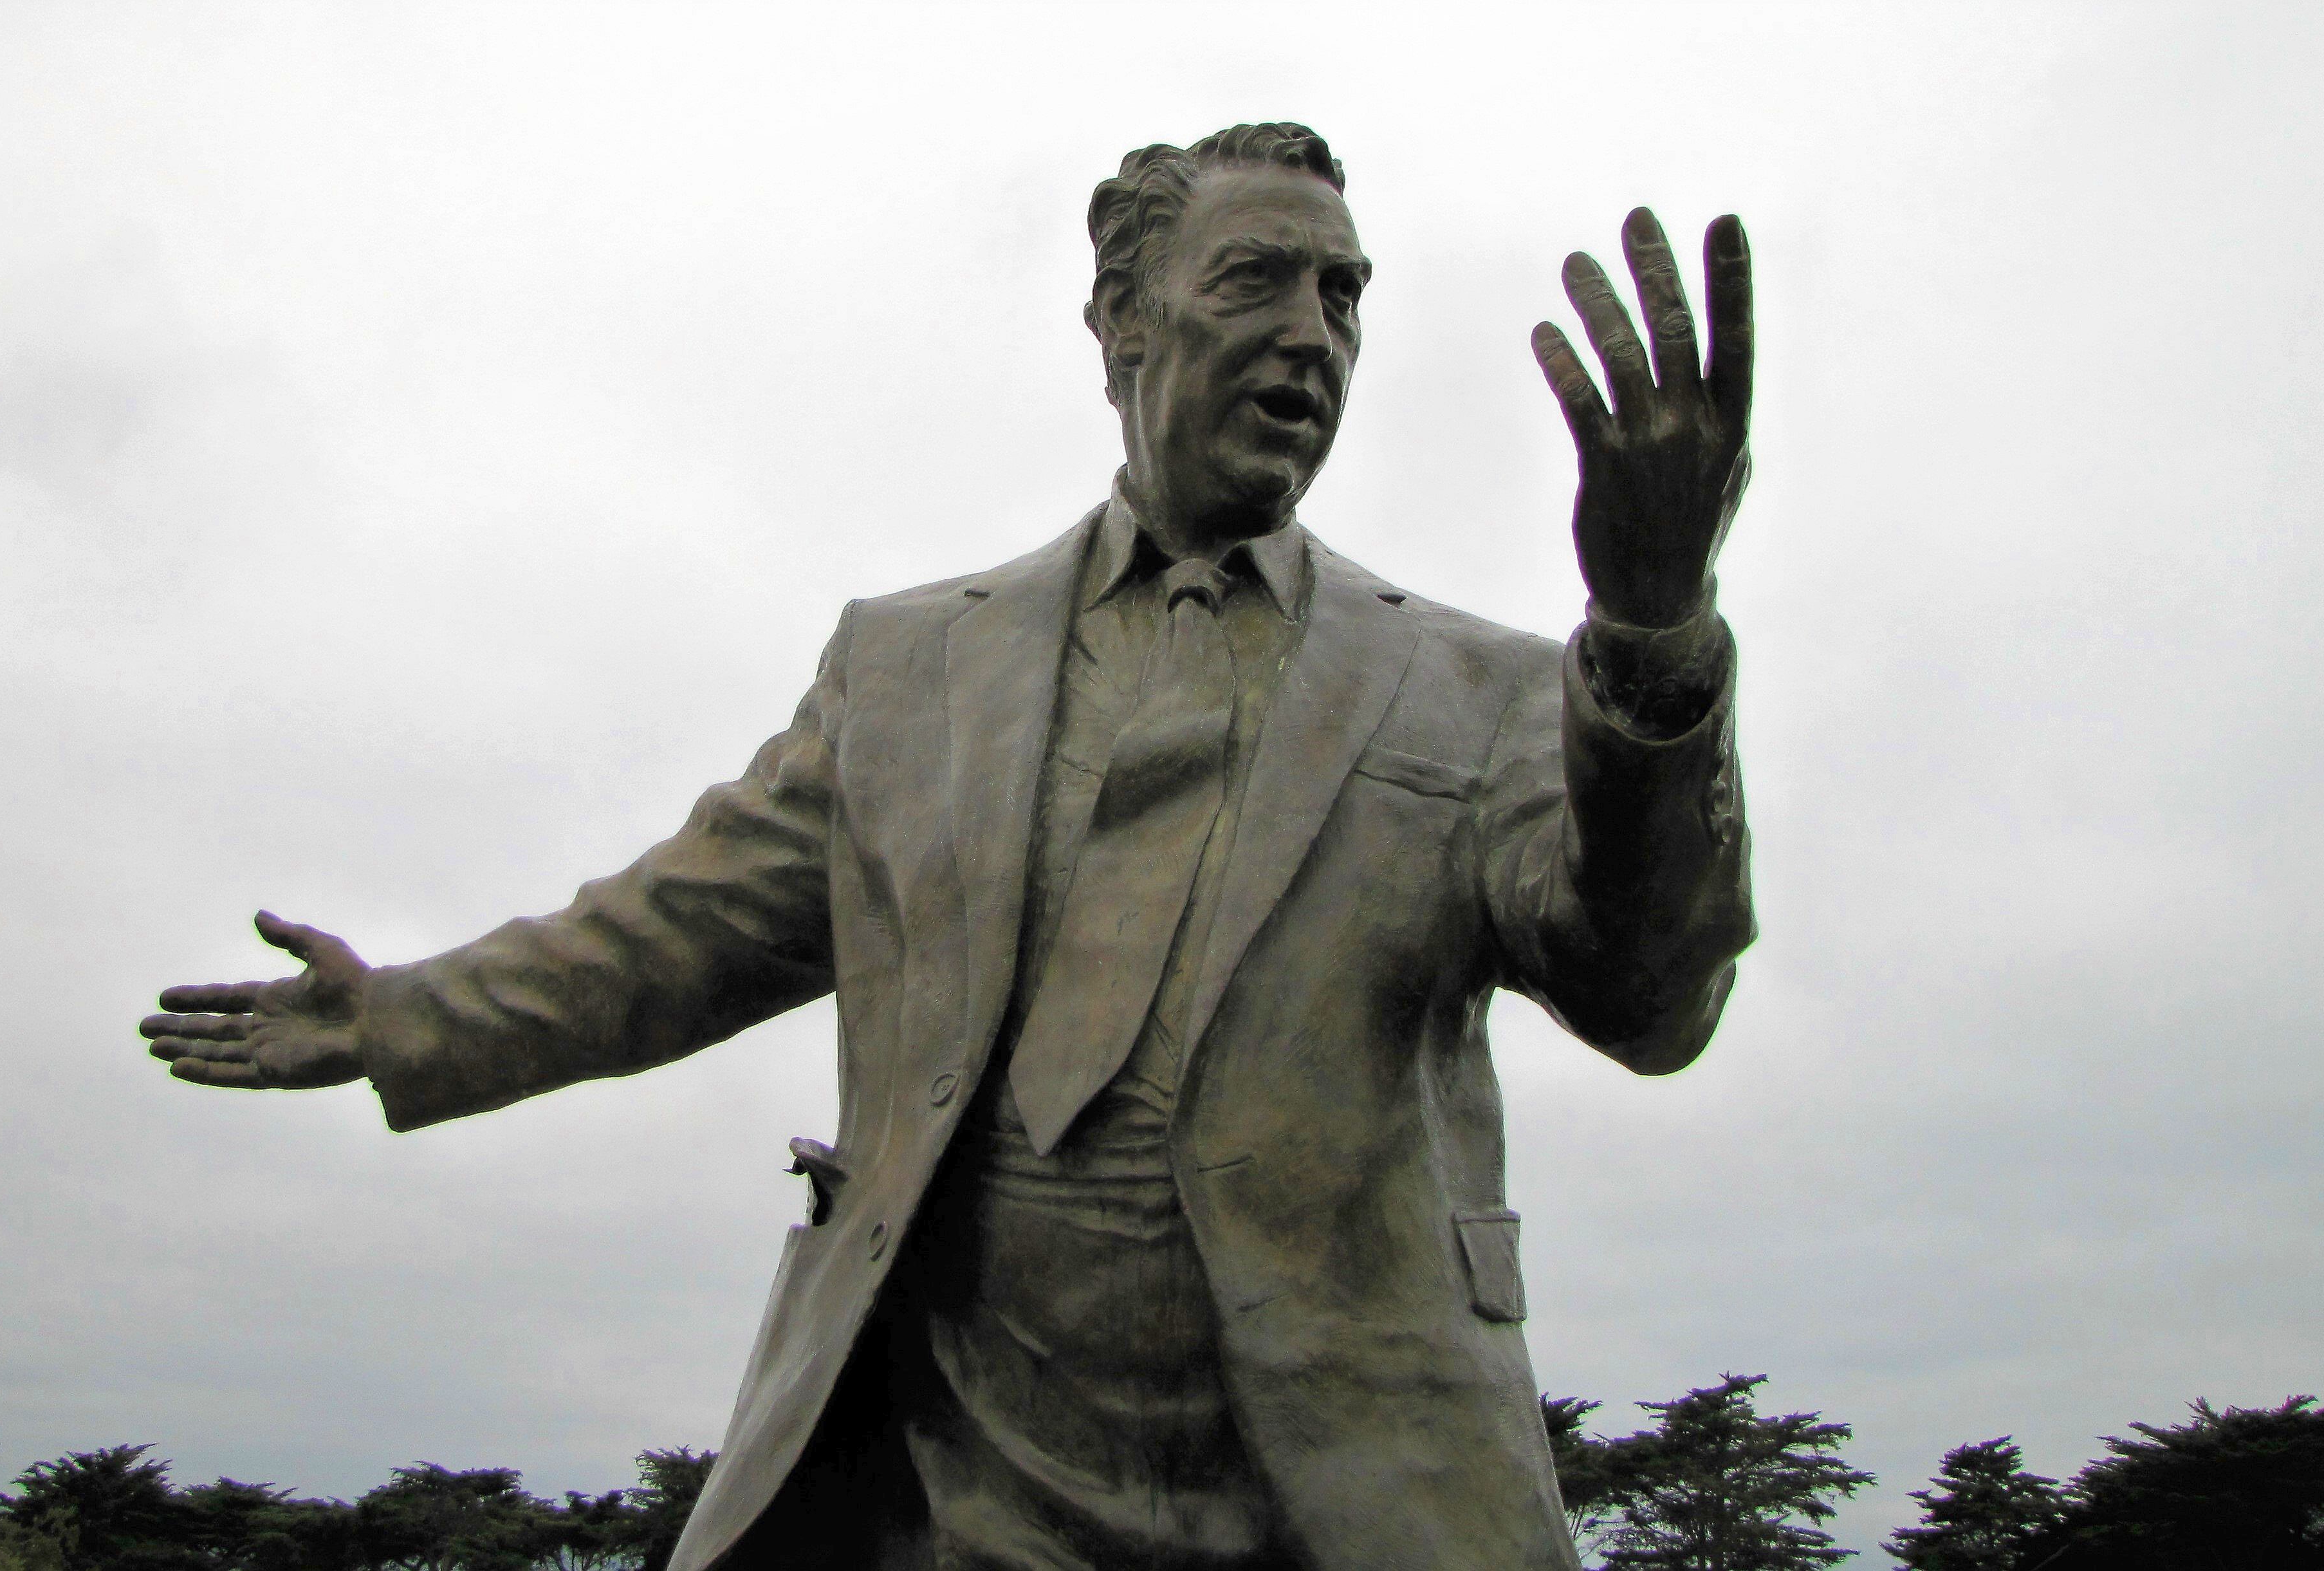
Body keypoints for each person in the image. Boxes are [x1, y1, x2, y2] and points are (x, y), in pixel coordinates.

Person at [142, 123, 1756, 1571]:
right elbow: (678, 931)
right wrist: (403, 1015)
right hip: (960, 1505)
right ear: (1122, 321)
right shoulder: (913, 671)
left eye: (1344, 297)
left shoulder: (1484, 693)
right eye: (1257, 279)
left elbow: (1650, 995)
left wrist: (1653, 628)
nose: (1310, 332)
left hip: (1342, 1507)